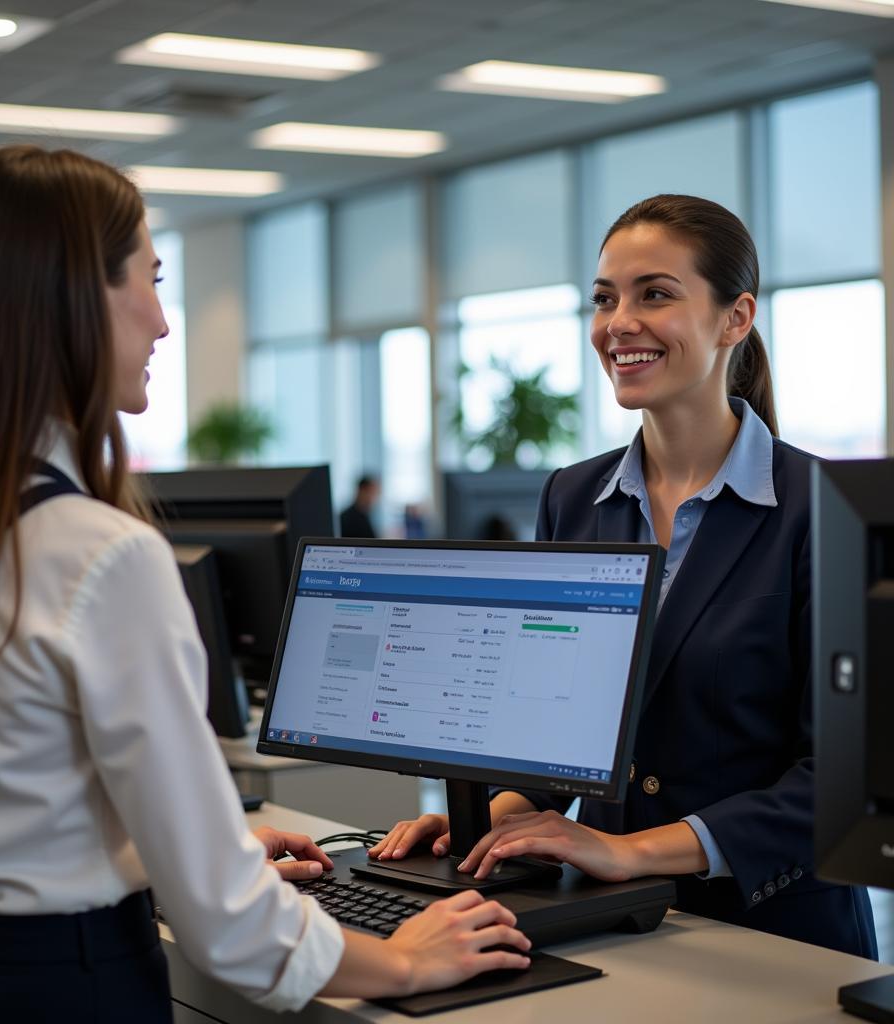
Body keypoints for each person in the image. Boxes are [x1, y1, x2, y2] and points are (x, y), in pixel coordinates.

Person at [0, 145, 530, 1024]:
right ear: (72, 298)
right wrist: (405, 961)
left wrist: (159, 854)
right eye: (149, 278)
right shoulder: (102, 556)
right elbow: (233, 935)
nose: (162, 322)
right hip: (60, 993)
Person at [369, 194, 878, 960]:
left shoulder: (828, 509)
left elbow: (842, 784)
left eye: (656, 294)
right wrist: (493, 822)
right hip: (611, 928)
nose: (619, 323)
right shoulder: (573, 496)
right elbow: (550, 732)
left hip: (772, 935)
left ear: (735, 318)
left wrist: (632, 851)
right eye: (605, 299)